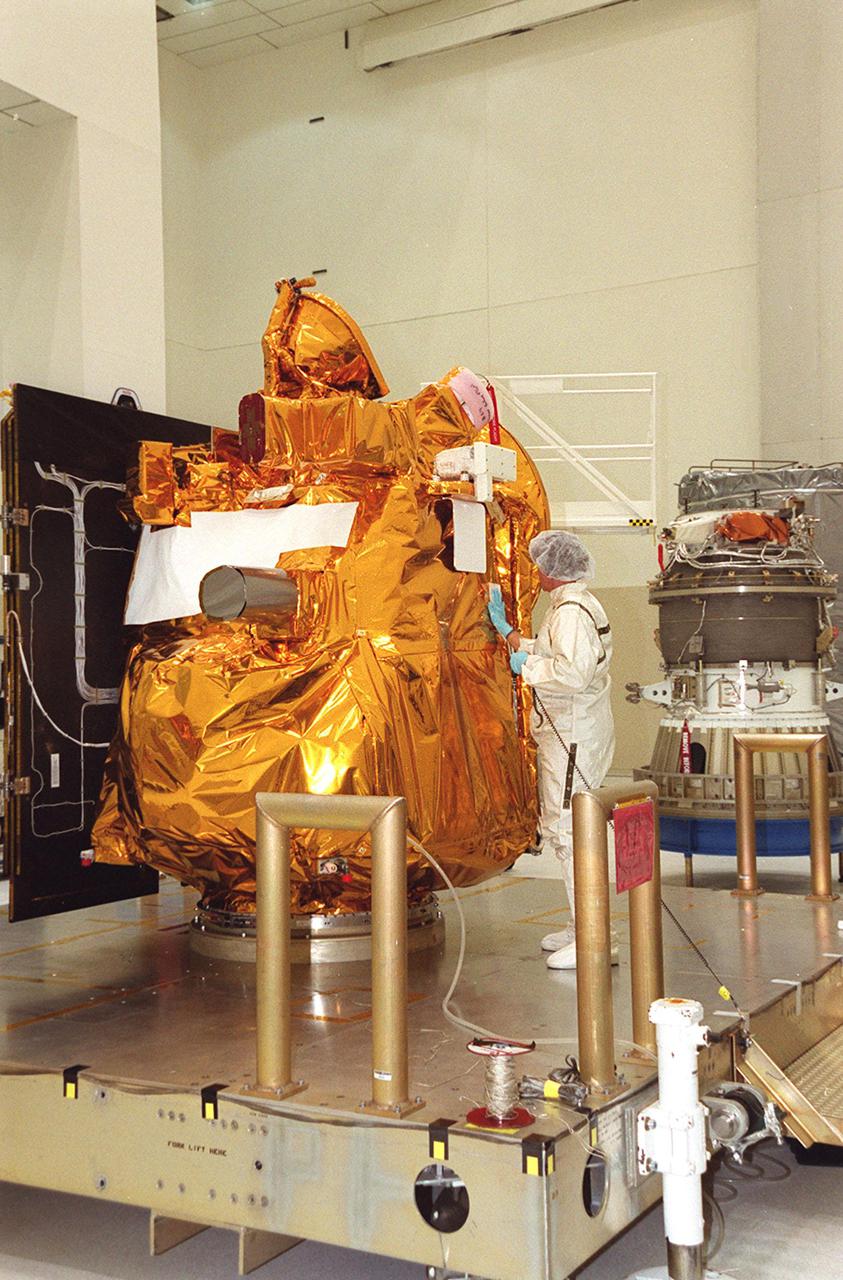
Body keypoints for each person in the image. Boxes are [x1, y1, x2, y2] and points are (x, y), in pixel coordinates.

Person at [487, 530, 616, 970]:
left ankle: (593, 938)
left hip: (573, 736)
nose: (535, 571)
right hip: (574, 732)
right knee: (569, 833)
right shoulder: (570, 607)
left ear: (550, 570)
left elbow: (573, 673)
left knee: (569, 833)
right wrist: (511, 637)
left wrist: (529, 666)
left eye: (538, 565)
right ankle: (583, 925)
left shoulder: (571, 613)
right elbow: (554, 653)